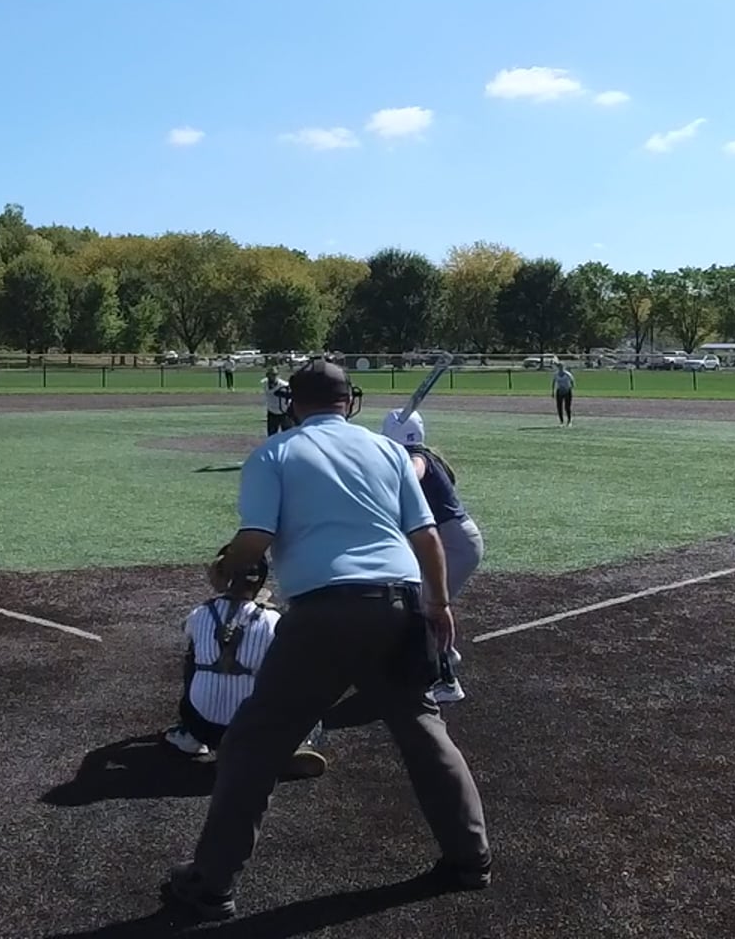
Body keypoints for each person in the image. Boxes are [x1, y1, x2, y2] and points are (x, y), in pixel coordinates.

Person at [162, 360, 490, 922]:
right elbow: (427, 537)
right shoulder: (389, 451)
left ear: (292, 403)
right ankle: (471, 859)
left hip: (323, 613)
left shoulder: (275, 453)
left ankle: (211, 885)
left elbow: (256, 538)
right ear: (349, 401)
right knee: (423, 730)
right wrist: (438, 605)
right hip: (399, 602)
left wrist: (225, 566)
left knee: (252, 744)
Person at [161, 550, 327, 778]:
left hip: (203, 725)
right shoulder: (272, 620)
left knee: (194, 655)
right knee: (301, 679)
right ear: (260, 581)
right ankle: (298, 745)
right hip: (249, 729)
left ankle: (189, 734)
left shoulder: (199, 614)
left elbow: (190, 629)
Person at [380, 408, 483, 703]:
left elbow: (414, 472)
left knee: (426, 609)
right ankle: (447, 653)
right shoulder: (422, 454)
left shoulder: (418, 457)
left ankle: (446, 682)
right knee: (421, 601)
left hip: (456, 546)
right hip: (456, 542)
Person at [261, 367, 291, 436]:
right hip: (271, 412)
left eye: (275, 374)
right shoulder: (265, 383)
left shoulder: (284, 385)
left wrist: (286, 395)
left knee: (287, 435)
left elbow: (291, 396)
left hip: (284, 413)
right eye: (271, 375)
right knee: (272, 435)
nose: (273, 377)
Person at [552, 362, 576, 426]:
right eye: (559, 367)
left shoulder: (568, 374)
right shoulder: (556, 374)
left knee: (567, 407)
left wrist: (570, 388)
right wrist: (553, 391)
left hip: (567, 391)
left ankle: (569, 421)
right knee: (559, 407)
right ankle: (561, 421)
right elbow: (554, 382)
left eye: (562, 367)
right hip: (559, 391)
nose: (560, 368)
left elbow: (572, 381)